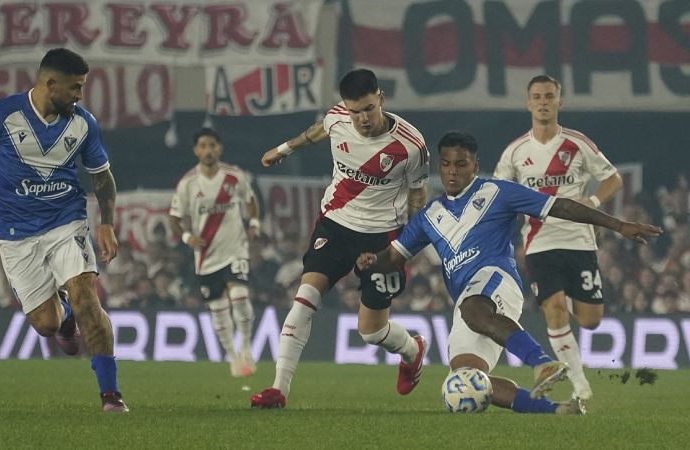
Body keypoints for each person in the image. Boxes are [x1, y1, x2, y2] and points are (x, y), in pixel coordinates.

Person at [357, 131, 661, 414]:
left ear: (475, 166)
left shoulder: (497, 192)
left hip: (497, 279)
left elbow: (562, 207)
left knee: (473, 310)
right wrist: (371, 261)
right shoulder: (428, 216)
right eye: (446, 164)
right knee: (465, 377)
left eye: (461, 164)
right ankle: (558, 410)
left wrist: (618, 225)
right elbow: (393, 257)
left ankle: (542, 362)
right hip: (468, 299)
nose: (452, 171)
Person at [0, 48, 128, 413]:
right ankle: (64, 319)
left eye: (82, 87)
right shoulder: (1, 116)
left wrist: (107, 223)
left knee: (86, 296)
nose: (80, 95)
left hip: (66, 221)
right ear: (50, 83)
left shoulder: (83, 124)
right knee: (46, 324)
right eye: (75, 87)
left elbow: (102, 176)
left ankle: (110, 395)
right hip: (16, 232)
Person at [250, 69, 430, 409]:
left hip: (381, 237)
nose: (362, 119)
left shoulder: (411, 145)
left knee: (371, 332)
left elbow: (418, 196)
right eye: (354, 111)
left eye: (368, 109)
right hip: (335, 225)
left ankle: (412, 349)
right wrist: (284, 148)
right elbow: (320, 129)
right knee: (304, 300)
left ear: (381, 99)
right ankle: (278, 390)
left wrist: (405, 248)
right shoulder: (338, 118)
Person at [493, 75, 623, 400]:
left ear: (559, 102)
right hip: (540, 243)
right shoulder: (515, 152)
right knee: (553, 307)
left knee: (591, 320)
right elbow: (498, 193)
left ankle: (564, 304)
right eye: (537, 97)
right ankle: (580, 386)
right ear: (528, 103)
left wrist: (593, 201)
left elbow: (613, 179)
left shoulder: (577, 143)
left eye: (549, 96)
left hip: (579, 241)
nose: (543, 102)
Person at [169, 128, 260, 377]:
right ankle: (232, 356)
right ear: (196, 150)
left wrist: (254, 223)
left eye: (212, 145)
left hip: (235, 249)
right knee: (218, 310)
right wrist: (187, 237)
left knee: (240, 297)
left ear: (220, 148)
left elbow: (251, 200)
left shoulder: (235, 176)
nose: (208, 150)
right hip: (206, 257)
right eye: (203, 146)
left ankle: (246, 347)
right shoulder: (188, 183)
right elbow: (174, 218)